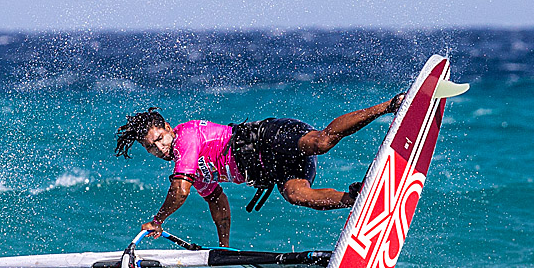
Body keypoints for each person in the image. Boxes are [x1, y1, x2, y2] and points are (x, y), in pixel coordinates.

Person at [114, 95, 404, 247]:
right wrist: (223, 249)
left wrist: (157, 220)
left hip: (270, 137)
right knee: (295, 194)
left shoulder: (186, 138)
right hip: (273, 168)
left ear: (167, 128)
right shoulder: (191, 167)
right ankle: (357, 197)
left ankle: (391, 105)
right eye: (152, 149)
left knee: (321, 142)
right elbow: (217, 203)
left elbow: (179, 191)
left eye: (159, 140)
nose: (160, 150)